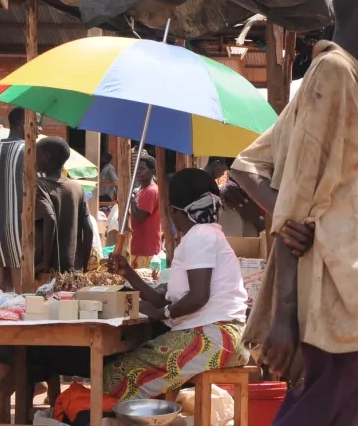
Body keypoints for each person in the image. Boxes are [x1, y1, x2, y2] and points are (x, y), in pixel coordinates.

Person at [228, 0, 358, 426]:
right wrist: (285, 316)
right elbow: (294, 209)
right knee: (323, 413)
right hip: (333, 298)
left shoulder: (348, 81)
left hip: (357, 297)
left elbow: (250, 165)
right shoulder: (331, 75)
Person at [103, 168, 249, 400]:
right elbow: (168, 301)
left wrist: (160, 313)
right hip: (218, 335)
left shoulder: (200, 237)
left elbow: (197, 297)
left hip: (215, 338)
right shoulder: (205, 235)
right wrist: (128, 273)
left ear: (173, 210)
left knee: (111, 379)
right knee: (124, 368)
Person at [34, 137, 94, 277]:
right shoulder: (77, 187)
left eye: (36, 154)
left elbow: (50, 218)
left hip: (46, 270)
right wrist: (84, 264)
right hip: (73, 268)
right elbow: (89, 229)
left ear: (46, 157)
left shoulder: (38, 185)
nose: (32, 158)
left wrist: (45, 262)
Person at [0, 107, 26, 292]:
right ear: (23, 124)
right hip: (20, 224)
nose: (40, 130)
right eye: (37, 125)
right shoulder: (27, 150)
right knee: (20, 286)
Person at [128, 153, 161, 269]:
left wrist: (131, 200)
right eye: (137, 169)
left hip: (146, 249)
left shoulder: (151, 191)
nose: (138, 172)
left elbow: (139, 218)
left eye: (142, 169)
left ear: (152, 171)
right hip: (139, 246)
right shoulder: (141, 190)